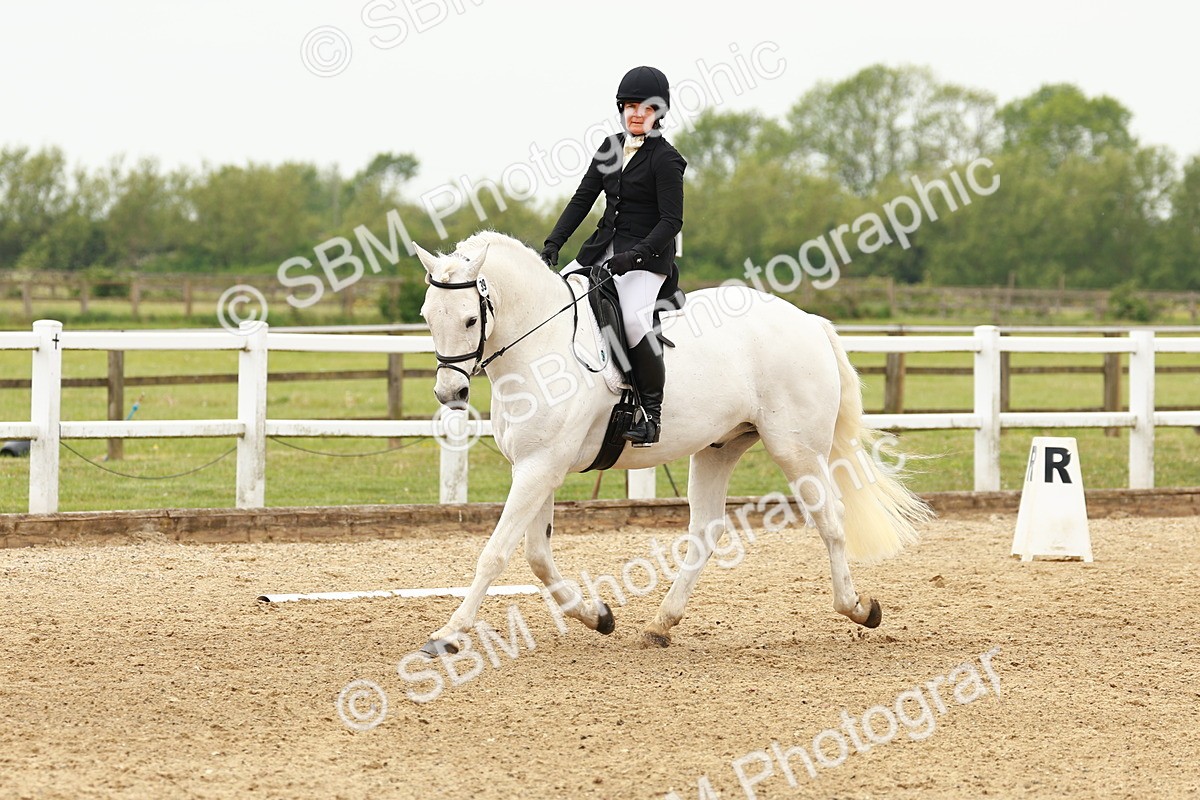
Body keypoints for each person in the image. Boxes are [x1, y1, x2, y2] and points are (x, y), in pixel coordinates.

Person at [540, 65, 687, 447]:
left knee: (636, 323)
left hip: (647, 259)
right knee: (559, 300)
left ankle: (650, 414)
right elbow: (582, 199)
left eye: (646, 107)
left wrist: (635, 257)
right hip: (601, 250)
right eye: (630, 106)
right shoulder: (609, 147)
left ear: (660, 113)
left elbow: (671, 221)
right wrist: (554, 242)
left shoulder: (667, 160)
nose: (637, 113)